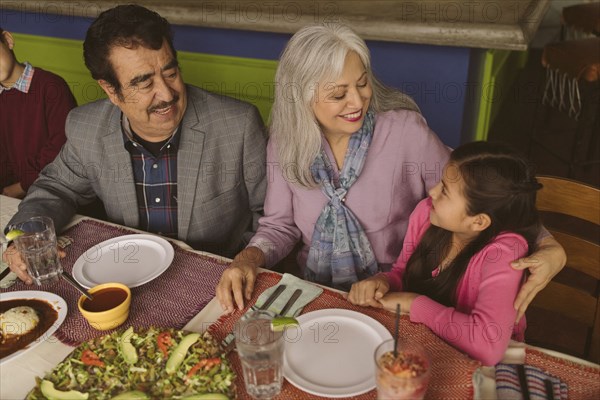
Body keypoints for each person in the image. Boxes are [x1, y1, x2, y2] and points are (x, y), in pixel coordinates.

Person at [216, 23, 566, 320]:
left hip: (396, 297)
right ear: (302, 98)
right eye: (339, 94)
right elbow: (280, 226)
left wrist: (548, 245)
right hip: (317, 293)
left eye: (362, 82)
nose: (357, 101)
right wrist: (248, 258)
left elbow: (482, 194)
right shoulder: (285, 141)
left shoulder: (404, 133)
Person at [3, 5, 266, 284]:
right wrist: (26, 235)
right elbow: (55, 188)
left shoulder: (237, 125)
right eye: (143, 83)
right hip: (127, 277)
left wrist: (246, 259)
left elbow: (271, 218)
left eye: (171, 73)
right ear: (110, 90)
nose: (166, 93)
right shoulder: (87, 128)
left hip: (216, 280)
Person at [348, 141, 542, 365]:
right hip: (423, 342)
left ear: (478, 221)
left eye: (445, 191)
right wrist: (382, 282)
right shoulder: (426, 213)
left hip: (481, 364)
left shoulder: (506, 254)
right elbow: (402, 271)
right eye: (440, 182)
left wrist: (414, 304)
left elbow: (488, 347)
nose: (432, 191)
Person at [0, 27, 76, 199]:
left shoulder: (51, 87)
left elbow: (62, 146)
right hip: (11, 198)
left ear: (7, 40)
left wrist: (21, 186)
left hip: (56, 192)